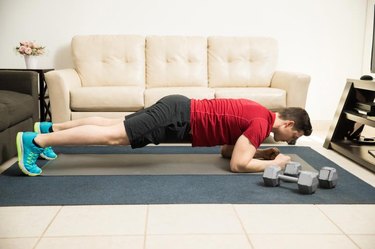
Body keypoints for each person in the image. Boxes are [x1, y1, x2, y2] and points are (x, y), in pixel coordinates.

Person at [16, 95, 312, 176]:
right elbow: (237, 165)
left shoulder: (258, 115)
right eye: (295, 136)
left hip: (178, 110)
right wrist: (279, 163)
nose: (292, 142)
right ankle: (36, 141)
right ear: (288, 124)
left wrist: (258, 155)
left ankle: (49, 129)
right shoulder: (261, 124)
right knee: (113, 137)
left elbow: (226, 153)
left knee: (112, 125)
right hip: (178, 118)